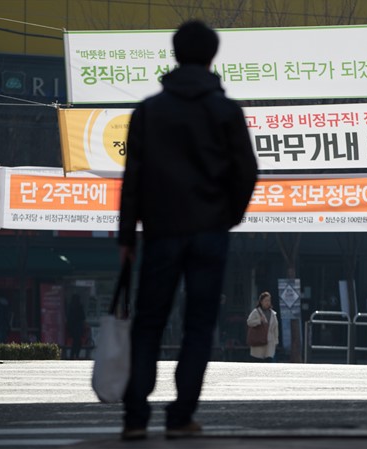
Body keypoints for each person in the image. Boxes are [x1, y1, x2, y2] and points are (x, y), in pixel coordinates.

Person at [118, 20, 258, 441]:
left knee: (149, 322)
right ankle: (181, 415)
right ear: (212, 56)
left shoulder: (149, 111)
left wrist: (127, 236)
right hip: (210, 230)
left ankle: (135, 416)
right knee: (199, 324)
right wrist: (228, 215)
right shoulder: (226, 111)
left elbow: (133, 178)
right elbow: (246, 171)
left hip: (161, 230)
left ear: (175, 55)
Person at [246, 292, 279, 362]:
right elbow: (249, 322)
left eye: (269, 300)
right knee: (258, 361)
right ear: (261, 302)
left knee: (268, 361)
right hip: (258, 342)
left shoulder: (273, 314)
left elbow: (275, 328)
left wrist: (276, 341)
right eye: (265, 301)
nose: (267, 303)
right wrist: (259, 320)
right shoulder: (256, 312)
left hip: (269, 343)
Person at [66, 293, 87, 359]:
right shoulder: (79, 307)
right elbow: (83, 317)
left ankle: (73, 355)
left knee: (75, 342)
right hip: (78, 327)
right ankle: (75, 354)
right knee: (78, 342)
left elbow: (69, 318)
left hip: (73, 328)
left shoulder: (71, 307)